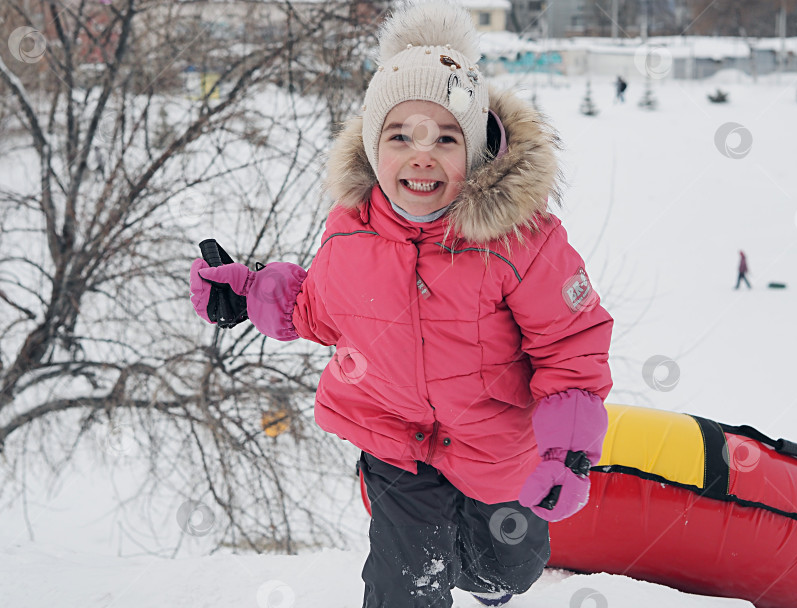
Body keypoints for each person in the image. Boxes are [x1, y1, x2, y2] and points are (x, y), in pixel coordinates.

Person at [189, 3, 613, 606]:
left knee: (506, 572)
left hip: (495, 448)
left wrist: (566, 452)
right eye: (400, 137)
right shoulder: (350, 230)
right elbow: (320, 308)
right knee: (404, 583)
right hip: (397, 444)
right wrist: (249, 290)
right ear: (371, 147)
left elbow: (570, 348)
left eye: (445, 138)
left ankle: (487, 571)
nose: (422, 156)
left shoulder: (523, 241)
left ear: (475, 150)